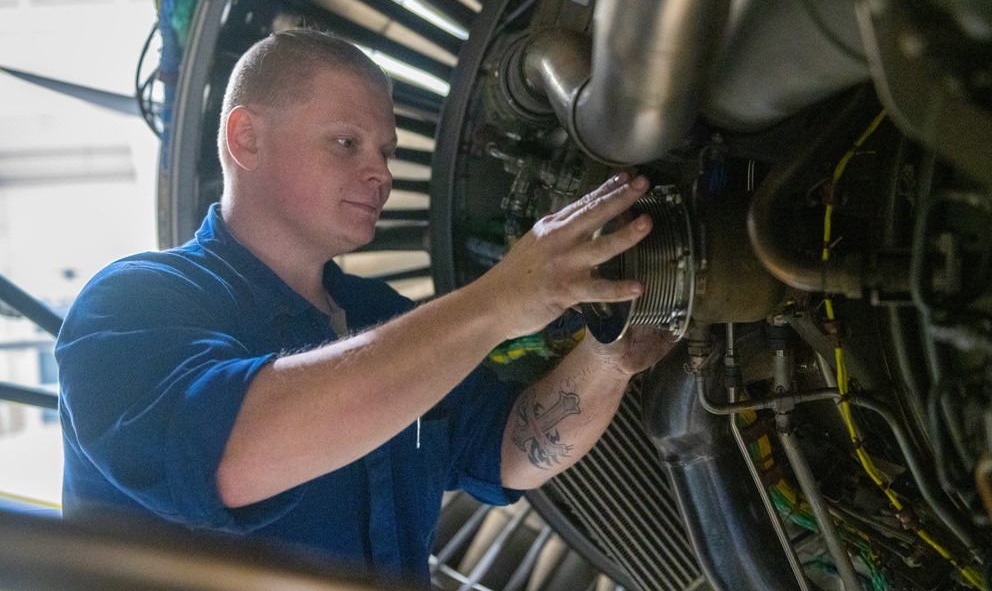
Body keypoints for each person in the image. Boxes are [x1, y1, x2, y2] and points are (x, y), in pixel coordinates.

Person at [55, 28, 674, 584]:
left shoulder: (379, 314)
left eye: (387, 150)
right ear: (247, 137)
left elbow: (511, 450)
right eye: (347, 142)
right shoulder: (131, 305)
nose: (380, 172)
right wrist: (499, 301)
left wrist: (608, 358)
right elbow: (238, 453)